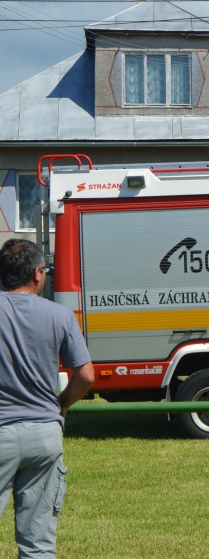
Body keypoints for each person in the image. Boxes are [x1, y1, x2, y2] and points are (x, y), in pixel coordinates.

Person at [0, 239, 94, 558]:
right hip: (44, 433)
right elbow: (86, 375)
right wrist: (62, 404)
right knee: (37, 543)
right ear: (37, 274)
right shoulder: (60, 315)